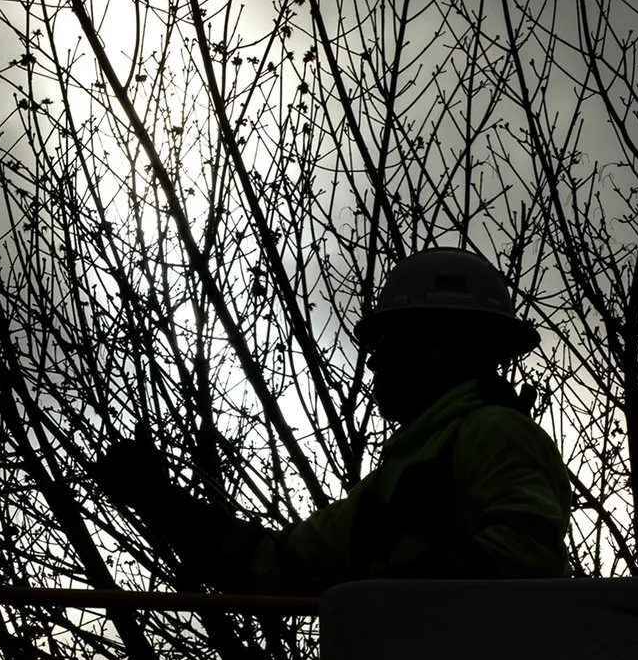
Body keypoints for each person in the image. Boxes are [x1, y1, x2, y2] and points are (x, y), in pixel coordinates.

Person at [90, 247, 573, 591]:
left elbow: (524, 569)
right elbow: (270, 567)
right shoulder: (390, 483)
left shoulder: (495, 433)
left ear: (439, 348)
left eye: (385, 346)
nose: (374, 363)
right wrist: (161, 503)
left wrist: (381, 596)